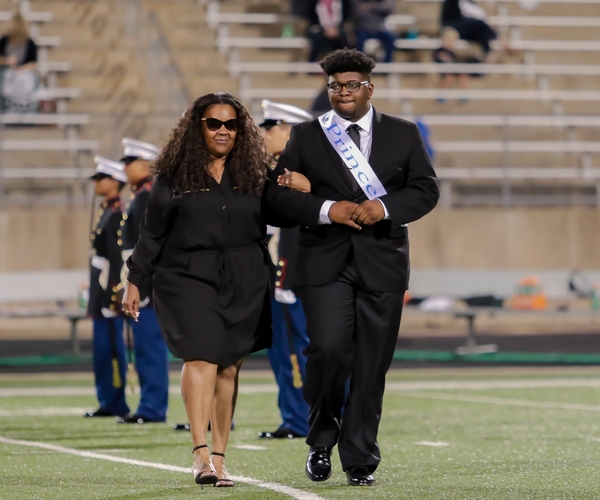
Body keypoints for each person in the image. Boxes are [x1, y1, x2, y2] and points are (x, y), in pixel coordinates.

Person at [267, 48, 439, 486]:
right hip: (324, 261)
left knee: (371, 364)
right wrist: (327, 208)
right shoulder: (306, 135)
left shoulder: (403, 133)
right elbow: (277, 199)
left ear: (369, 88)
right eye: (335, 86)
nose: (342, 92)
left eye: (351, 85)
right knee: (327, 350)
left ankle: (360, 456)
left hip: (383, 262)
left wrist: (384, 207)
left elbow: (426, 190)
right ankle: (321, 438)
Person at [121, 92, 303, 487]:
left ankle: (220, 457)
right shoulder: (174, 175)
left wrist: (303, 186)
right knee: (201, 357)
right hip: (186, 275)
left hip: (245, 275)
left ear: (241, 129)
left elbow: (284, 213)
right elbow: (152, 232)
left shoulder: (256, 172)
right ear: (197, 127)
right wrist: (135, 279)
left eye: (231, 124)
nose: (223, 131)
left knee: (229, 366)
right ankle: (200, 453)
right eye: (214, 123)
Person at [258, 100, 312, 440]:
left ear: (291, 130)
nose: (265, 135)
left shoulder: (301, 172)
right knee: (281, 353)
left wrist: (285, 278)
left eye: (272, 127)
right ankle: (292, 416)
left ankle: (304, 419)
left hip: (294, 280)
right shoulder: (274, 171)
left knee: (301, 351)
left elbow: (295, 229)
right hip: (275, 280)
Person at [116, 138, 170, 425]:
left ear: (147, 164)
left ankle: (153, 406)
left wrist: (141, 286)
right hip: (140, 282)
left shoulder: (147, 197)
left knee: (150, 348)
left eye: (131, 162)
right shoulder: (139, 197)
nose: (126, 168)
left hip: (146, 286)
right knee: (144, 348)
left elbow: (147, 246)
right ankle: (149, 404)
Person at [83, 157, 130, 419]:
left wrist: (114, 294)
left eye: (101, 178)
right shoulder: (107, 211)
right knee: (101, 351)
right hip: (99, 292)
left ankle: (115, 400)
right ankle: (107, 399)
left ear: (114, 182)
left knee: (111, 348)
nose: (96, 183)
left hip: (107, 294)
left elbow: (116, 259)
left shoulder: (116, 214)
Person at [0, 12, 38, 112]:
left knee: (27, 79)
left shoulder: (30, 43)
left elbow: (33, 63)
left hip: (23, 71)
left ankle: (27, 109)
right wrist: (7, 61)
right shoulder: (4, 40)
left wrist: (21, 69)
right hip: (6, 70)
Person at [433, 27, 470, 102]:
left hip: (453, 68)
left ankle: (463, 94)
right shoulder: (440, 50)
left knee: (463, 76)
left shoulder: (453, 51)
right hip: (444, 68)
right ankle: (441, 94)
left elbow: (456, 60)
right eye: (446, 39)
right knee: (448, 77)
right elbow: (439, 59)